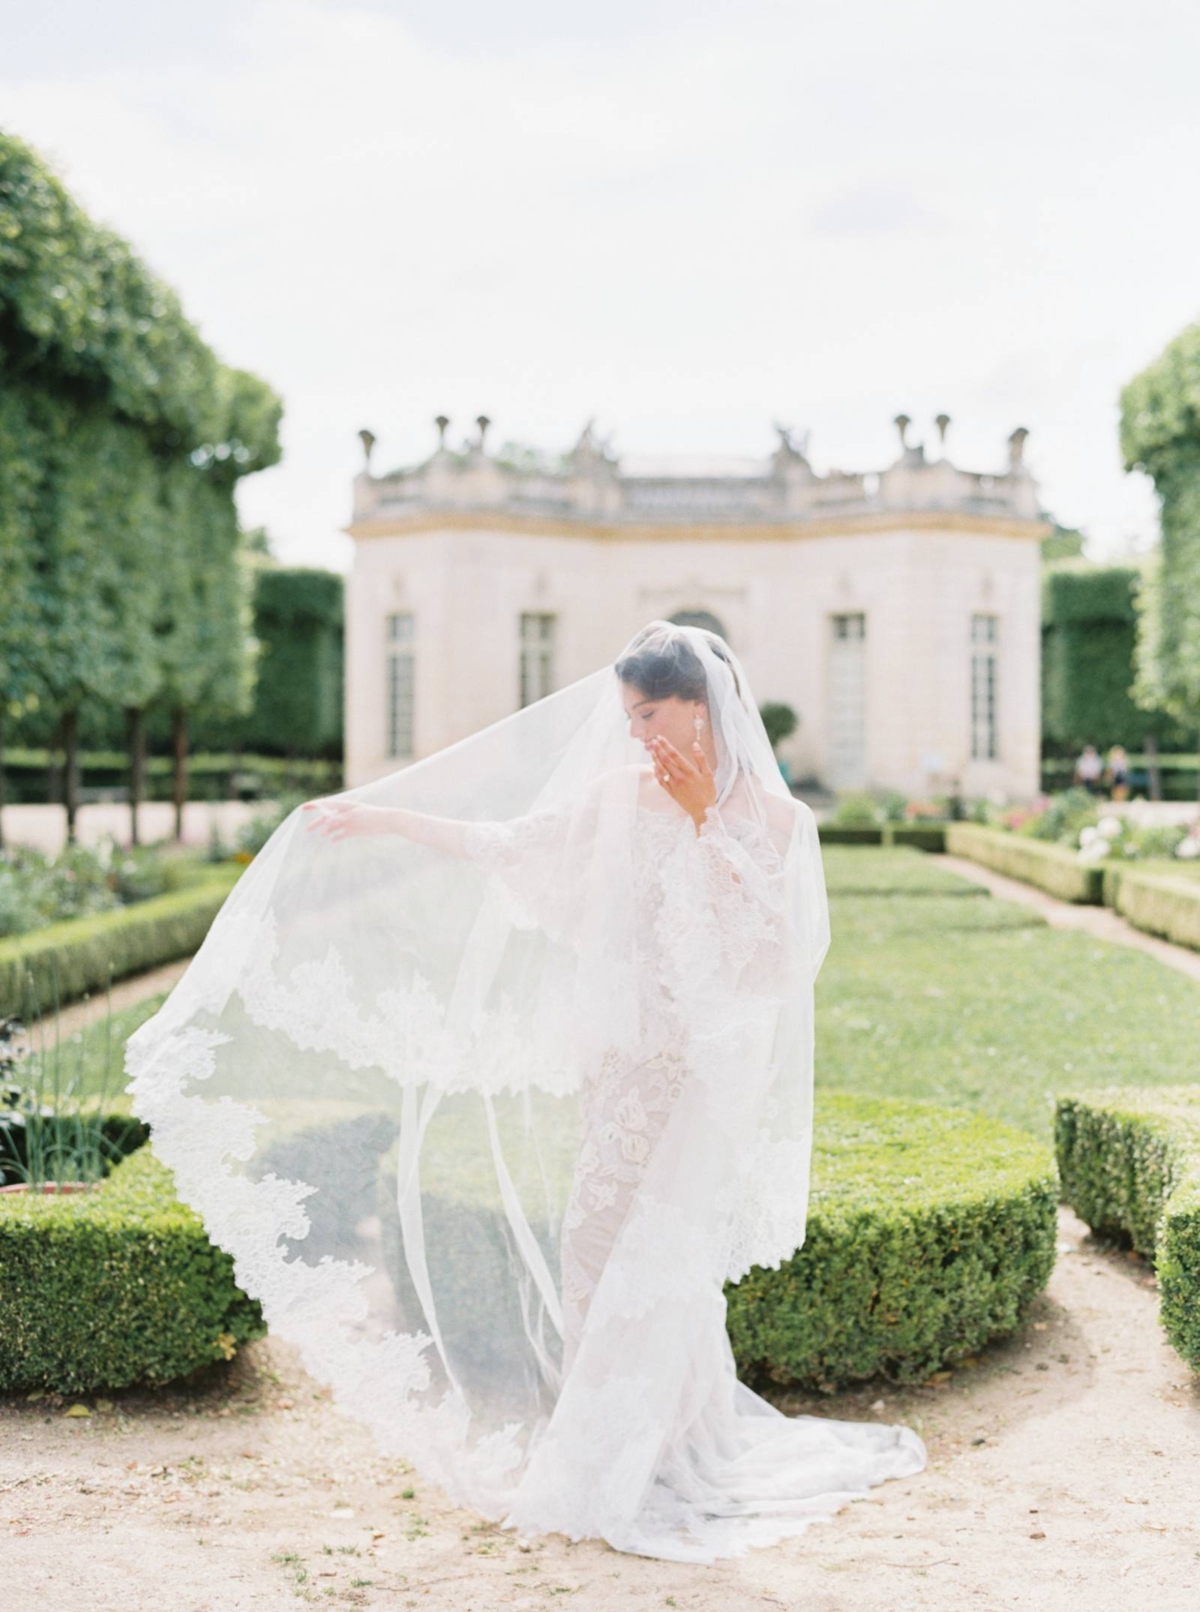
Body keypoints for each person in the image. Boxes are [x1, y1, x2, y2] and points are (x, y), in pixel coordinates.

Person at [124, 620, 925, 1564]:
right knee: (615, 1253)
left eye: (650, 712)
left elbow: (765, 967)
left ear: (702, 708)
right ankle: (661, 1445)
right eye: (627, 714)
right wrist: (383, 817)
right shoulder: (622, 797)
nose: (634, 732)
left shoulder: (778, 823)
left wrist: (709, 822)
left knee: (619, 1252)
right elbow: (509, 843)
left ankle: (619, 1457)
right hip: (620, 1070)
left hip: (697, 1077)